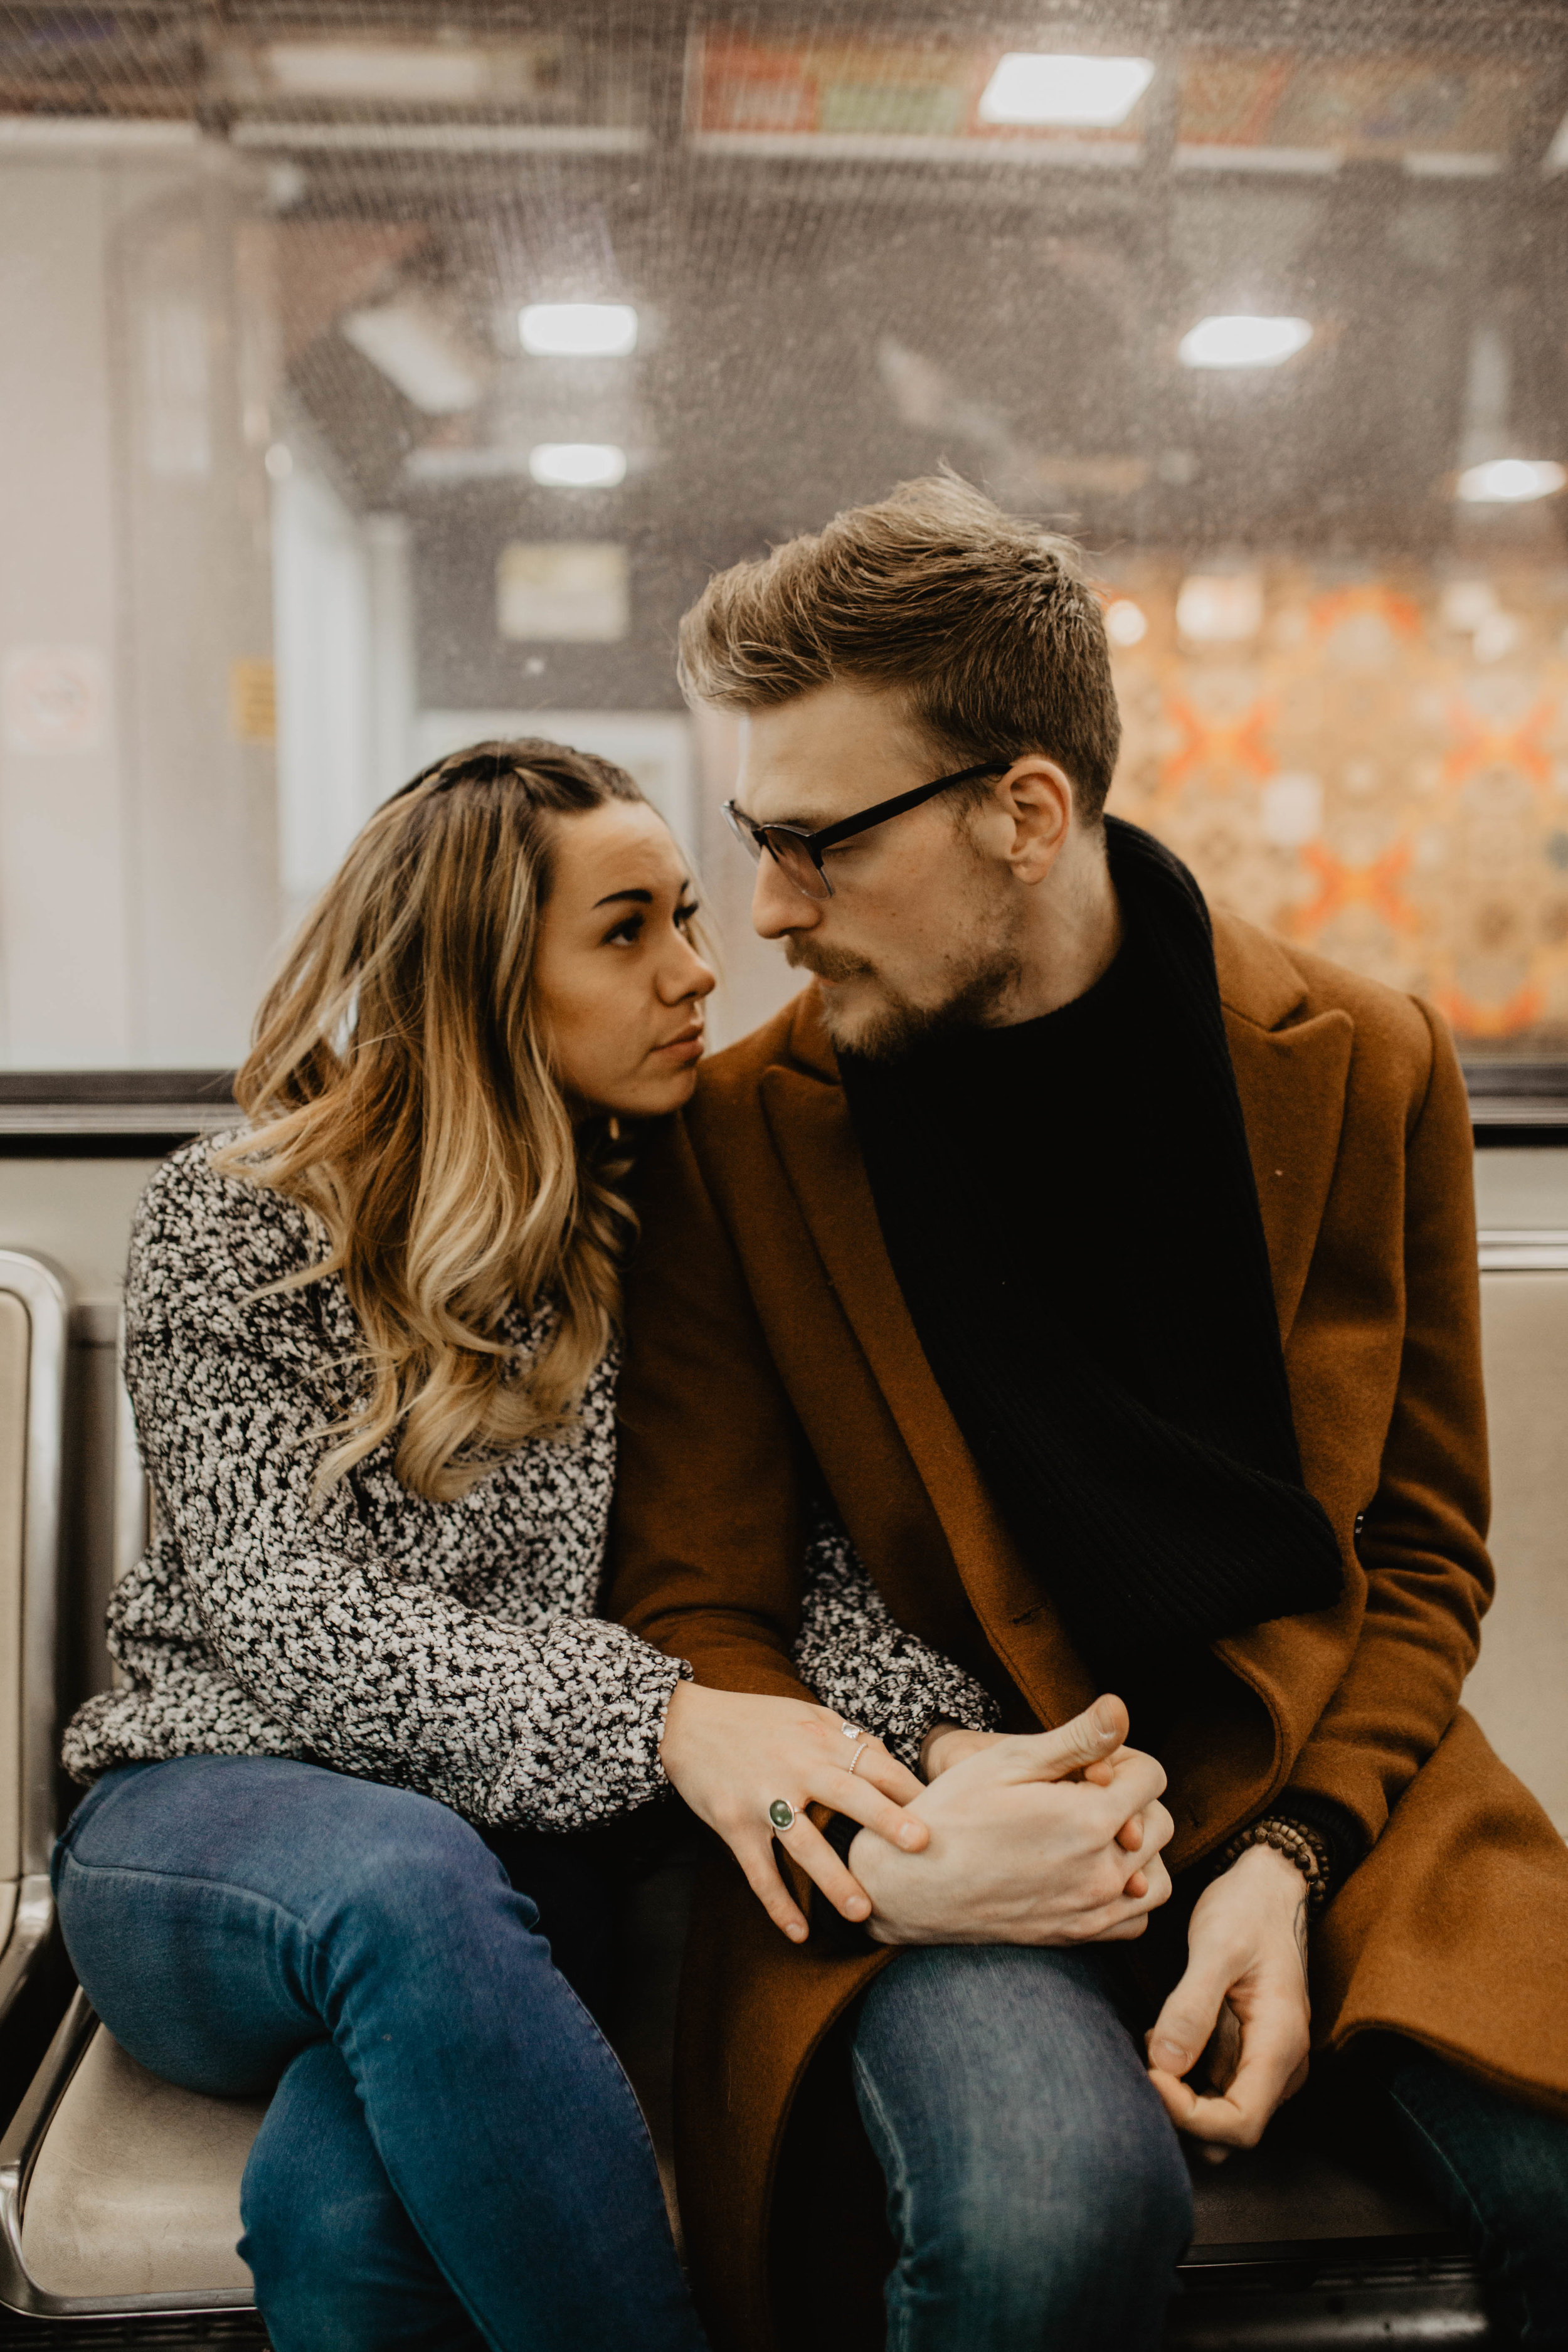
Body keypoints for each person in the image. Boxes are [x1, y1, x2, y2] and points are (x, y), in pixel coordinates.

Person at [608, 481, 1568, 2352]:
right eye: (755, 837)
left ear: (1023, 813)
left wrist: (1287, 1864)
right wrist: (907, 1824)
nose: (766, 913)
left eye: (814, 845)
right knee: (1048, 2214)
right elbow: (694, 1606)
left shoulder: (1363, 1061)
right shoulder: (741, 1132)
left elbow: (1417, 1547)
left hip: (1321, 1765)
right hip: (943, 1790)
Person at [52, 740, 928, 2352]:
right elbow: (287, 1612)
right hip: (214, 1818)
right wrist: (658, 1719)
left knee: (342, 2219)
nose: (696, 969)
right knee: (402, 1879)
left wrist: (904, 1759)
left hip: (528, 1857)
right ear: (477, 979)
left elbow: (811, 1553)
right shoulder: (233, 1219)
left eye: (683, 914)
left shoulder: (679, 1219)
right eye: (626, 931)